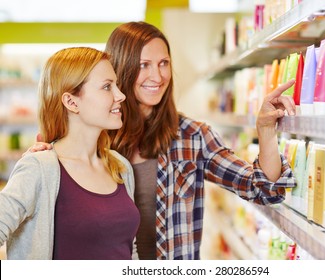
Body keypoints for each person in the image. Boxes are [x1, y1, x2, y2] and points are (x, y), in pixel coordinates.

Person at [26, 22, 296, 260]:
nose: (158, 76)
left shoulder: (192, 136)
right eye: (144, 65)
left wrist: (266, 131)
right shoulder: (92, 137)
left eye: (163, 63)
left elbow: (263, 189)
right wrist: (44, 161)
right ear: (119, 69)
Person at [0, 47, 140, 260]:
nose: (120, 95)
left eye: (117, 85)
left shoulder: (120, 167)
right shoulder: (40, 168)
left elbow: (129, 249)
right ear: (72, 102)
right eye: (106, 87)